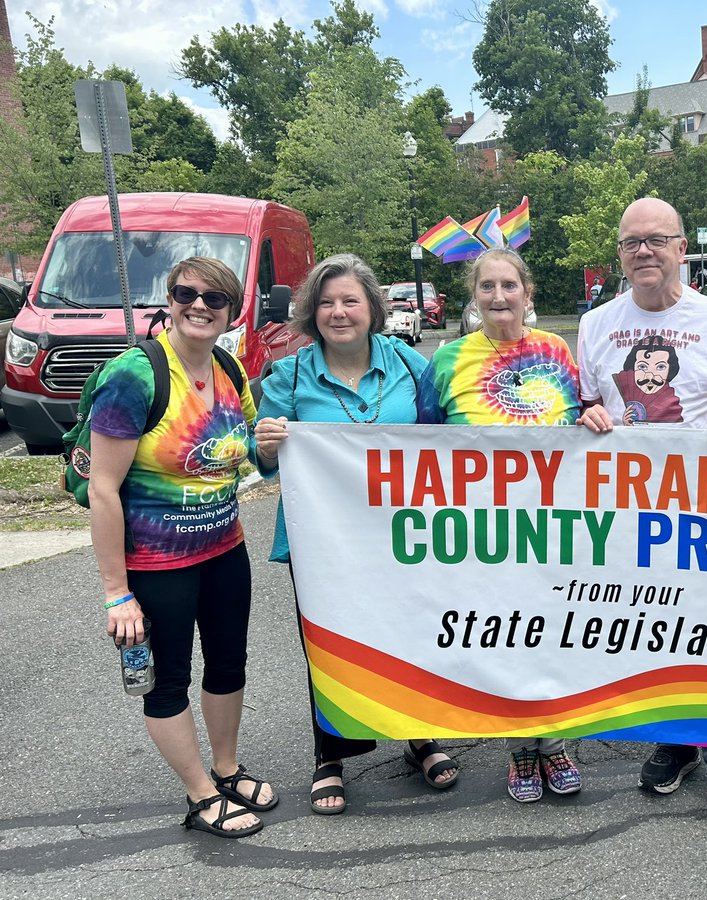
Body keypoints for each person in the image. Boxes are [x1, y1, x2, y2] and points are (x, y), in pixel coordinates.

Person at [576, 197, 707, 827]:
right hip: (630, 511)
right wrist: (590, 416)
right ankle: (679, 739)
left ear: (683, 248)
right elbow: (586, 410)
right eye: (632, 242)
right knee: (657, 629)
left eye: (658, 240)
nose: (645, 251)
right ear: (621, 254)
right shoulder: (597, 323)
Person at [252, 253, 458, 816]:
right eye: (326, 303)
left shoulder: (410, 366)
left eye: (350, 301)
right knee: (329, 644)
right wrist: (266, 445)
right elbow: (264, 459)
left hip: (403, 533)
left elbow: (442, 442)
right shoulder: (290, 374)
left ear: (373, 308)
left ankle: (420, 737)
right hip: (323, 542)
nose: (338, 312)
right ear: (310, 312)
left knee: (409, 634)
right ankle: (330, 757)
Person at [89, 256, 275, 838]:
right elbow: (103, 490)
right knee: (167, 678)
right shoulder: (135, 376)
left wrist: (271, 443)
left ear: (231, 310)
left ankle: (225, 768)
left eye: (213, 298)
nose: (198, 305)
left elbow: (251, 455)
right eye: (185, 293)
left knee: (227, 662)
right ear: (168, 301)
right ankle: (199, 794)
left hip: (224, 549)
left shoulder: (228, 367)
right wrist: (117, 593)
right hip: (156, 564)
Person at [416, 246, 583, 803]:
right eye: (487, 287)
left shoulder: (558, 350)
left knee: (556, 637)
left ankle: (555, 743)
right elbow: (420, 445)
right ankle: (518, 747)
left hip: (555, 525)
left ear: (527, 293)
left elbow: (581, 424)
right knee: (508, 638)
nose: (499, 297)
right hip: (483, 533)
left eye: (509, 285)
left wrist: (595, 417)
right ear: (474, 296)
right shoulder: (447, 360)